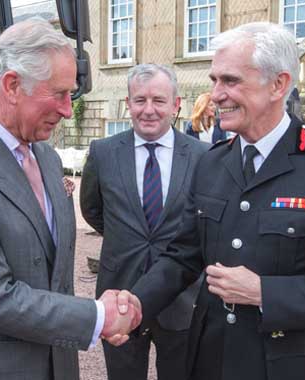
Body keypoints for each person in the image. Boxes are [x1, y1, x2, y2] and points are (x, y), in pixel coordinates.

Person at [125, 22, 305, 380]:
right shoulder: (211, 163)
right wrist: (137, 302)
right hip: (208, 361)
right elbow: (183, 255)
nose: (215, 94)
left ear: (278, 84)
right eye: (215, 80)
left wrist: (266, 292)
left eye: (230, 81)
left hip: (284, 367)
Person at [0, 18, 139, 380]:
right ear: (13, 85)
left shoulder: (47, 158)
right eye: (59, 93)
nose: (68, 109)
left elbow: (54, 276)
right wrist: (99, 316)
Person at [80, 64, 209, 380]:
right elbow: (91, 209)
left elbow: (207, 220)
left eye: (159, 100)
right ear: (128, 103)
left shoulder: (203, 156)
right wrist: (125, 238)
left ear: (176, 105)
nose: (148, 110)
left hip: (182, 296)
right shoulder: (103, 152)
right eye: (140, 100)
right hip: (119, 295)